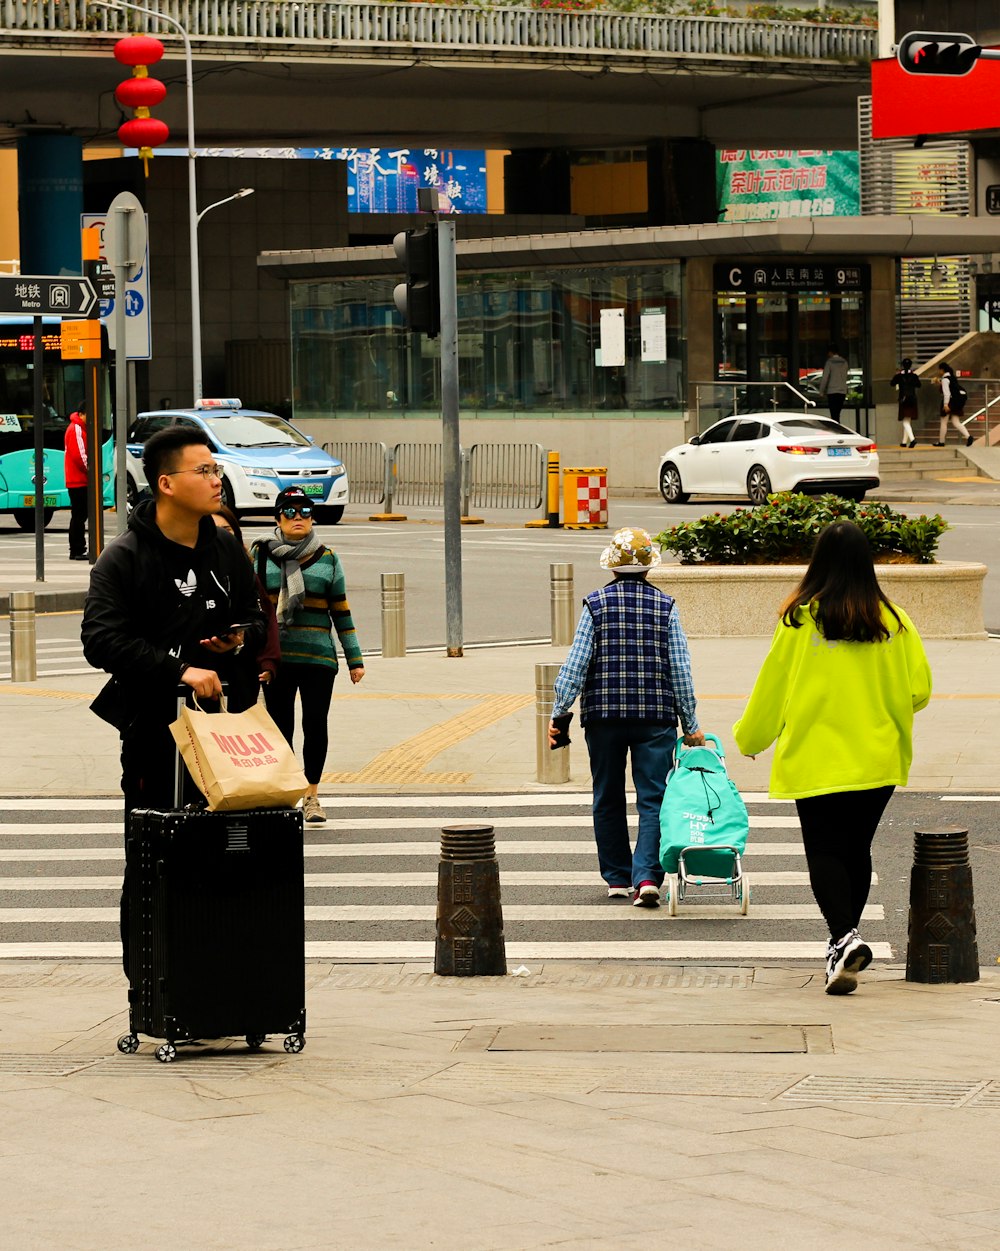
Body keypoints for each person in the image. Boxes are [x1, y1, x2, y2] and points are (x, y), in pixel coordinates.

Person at [81, 424, 265, 974]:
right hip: (154, 733)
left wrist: (239, 638)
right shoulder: (125, 559)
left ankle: (219, 984)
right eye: (204, 470)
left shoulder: (225, 548)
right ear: (165, 483)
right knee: (152, 857)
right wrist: (179, 670)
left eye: (216, 469)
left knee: (229, 856)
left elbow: (258, 618)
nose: (217, 479)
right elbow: (101, 640)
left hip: (229, 736)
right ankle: (152, 988)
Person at [732, 520, 931, 995]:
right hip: (877, 755)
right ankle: (842, 948)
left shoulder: (800, 620)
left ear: (818, 562)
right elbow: (919, 690)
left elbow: (773, 689)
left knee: (824, 849)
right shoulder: (894, 621)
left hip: (818, 755)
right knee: (855, 850)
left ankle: (843, 938)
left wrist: (750, 738)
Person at [547, 526, 704, 908]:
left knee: (607, 796)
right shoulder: (665, 607)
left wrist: (559, 712)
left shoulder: (595, 605)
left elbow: (576, 665)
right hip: (655, 718)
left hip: (603, 717)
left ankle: (617, 878)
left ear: (611, 568)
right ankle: (647, 877)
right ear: (650, 568)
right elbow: (679, 671)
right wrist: (692, 724)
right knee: (654, 797)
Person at [251, 487, 365, 824]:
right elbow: (252, 609)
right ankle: (286, 791)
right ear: (277, 518)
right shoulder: (259, 555)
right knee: (279, 726)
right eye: (290, 511)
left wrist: (354, 659)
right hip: (277, 658)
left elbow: (340, 611)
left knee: (315, 726)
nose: (298, 517)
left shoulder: (327, 557)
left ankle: (311, 795)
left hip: (318, 658)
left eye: (304, 512)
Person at [212, 504, 281, 698]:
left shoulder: (245, 571)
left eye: (226, 530)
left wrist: (267, 660)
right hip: (202, 676)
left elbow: (265, 620)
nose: (221, 537)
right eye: (212, 530)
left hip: (241, 675)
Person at [64, 406, 89, 561]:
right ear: (81, 414)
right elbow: (80, 456)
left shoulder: (79, 428)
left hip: (78, 479)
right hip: (78, 479)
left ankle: (77, 548)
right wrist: (91, 472)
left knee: (79, 515)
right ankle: (77, 549)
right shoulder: (76, 429)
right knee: (79, 515)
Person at [934, 362, 973, 447]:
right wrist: (939, 382)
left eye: (939, 370)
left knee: (944, 422)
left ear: (942, 370)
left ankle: (941, 441)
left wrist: (945, 404)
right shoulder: (952, 377)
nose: (939, 371)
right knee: (956, 422)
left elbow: (947, 393)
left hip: (949, 402)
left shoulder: (945, 380)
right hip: (957, 402)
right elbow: (951, 387)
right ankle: (968, 436)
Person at [890, 357, 920, 448]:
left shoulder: (899, 376)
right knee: (908, 420)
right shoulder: (914, 376)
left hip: (903, 399)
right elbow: (919, 385)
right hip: (912, 399)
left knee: (905, 421)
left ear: (902, 365)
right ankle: (904, 442)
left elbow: (892, 383)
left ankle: (912, 440)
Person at [818, 344, 849, 423]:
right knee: (837, 413)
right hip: (842, 391)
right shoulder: (844, 362)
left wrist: (821, 391)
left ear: (830, 352)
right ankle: (838, 428)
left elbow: (825, 378)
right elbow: (845, 376)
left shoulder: (829, 362)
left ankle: (836, 430)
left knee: (833, 414)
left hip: (832, 391)